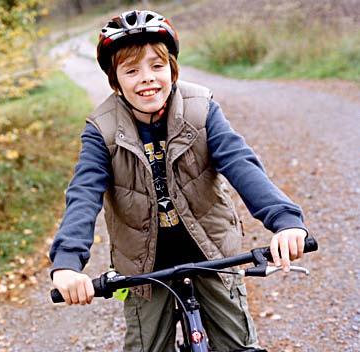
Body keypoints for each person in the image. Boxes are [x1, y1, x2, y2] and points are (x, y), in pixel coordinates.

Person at [49, 9, 308, 352]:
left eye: (157, 66)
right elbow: (83, 192)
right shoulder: (102, 130)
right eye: (131, 70)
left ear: (171, 68)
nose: (147, 79)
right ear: (115, 81)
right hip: (143, 264)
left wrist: (285, 220)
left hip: (211, 250)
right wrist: (67, 263)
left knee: (239, 346)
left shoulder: (201, 109)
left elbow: (241, 164)